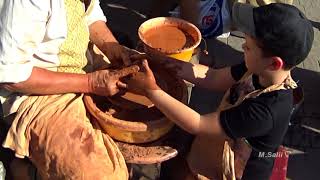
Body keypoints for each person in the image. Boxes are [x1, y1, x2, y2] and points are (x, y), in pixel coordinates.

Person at [128, 2, 313, 180]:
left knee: (182, 162)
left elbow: (197, 124)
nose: (242, 47)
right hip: (224, 135)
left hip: (236, 169)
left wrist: (150, 90)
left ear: (274, 63)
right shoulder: (259, 68)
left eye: (248, 47)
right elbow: (213, 77)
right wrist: (170, 63)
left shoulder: (265, 111)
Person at [0, 0, 139, 179]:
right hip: (34, 91)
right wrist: (90, 83)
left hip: (81, 64)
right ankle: (24, 170)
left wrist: (113, 48)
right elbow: (11, 75)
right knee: (102, 175)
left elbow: (89, 15)